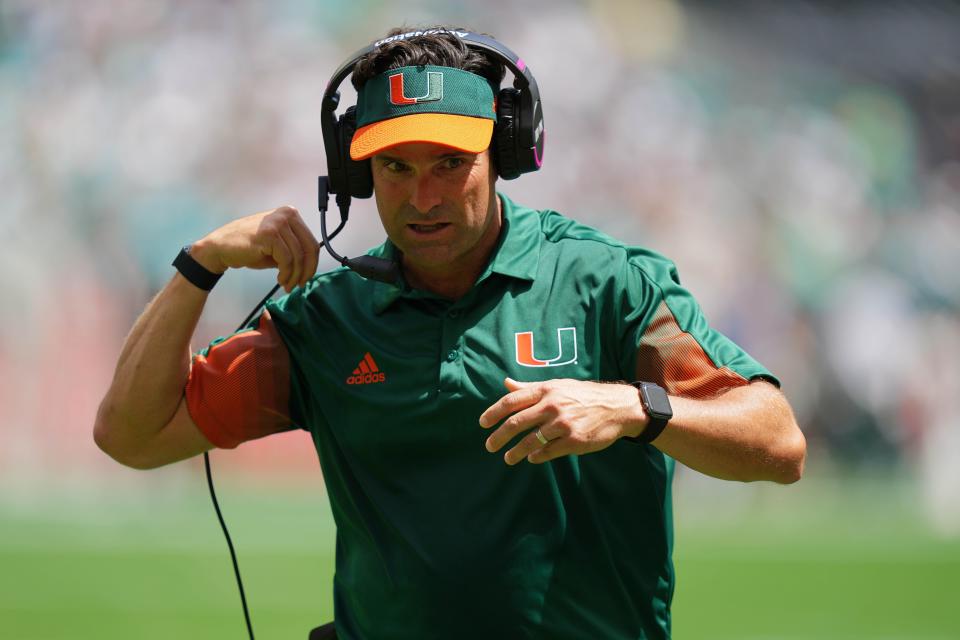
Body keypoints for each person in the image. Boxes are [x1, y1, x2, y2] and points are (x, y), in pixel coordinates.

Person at [94, 26, 806, 640]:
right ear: (357, 171)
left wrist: (630, 408)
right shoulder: (327, 318)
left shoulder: (607, 283)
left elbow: (777, 443)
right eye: (395, 168)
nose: (423, 197)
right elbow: (132, 435)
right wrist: (200, 264)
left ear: (506, 152)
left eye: (450, 164)